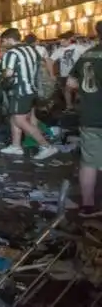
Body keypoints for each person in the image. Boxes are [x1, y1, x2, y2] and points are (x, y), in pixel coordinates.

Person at [0, 28, 57, 160]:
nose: (3, 44)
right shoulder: (32, 50)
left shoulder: (12, 53)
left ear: (9, 39)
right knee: (15, 117)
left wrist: (0, 75)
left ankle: (46, 146)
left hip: (20, 90)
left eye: (3, 41)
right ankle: (16, 145)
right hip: (32, 89)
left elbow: (8, 73)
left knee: (20, 120)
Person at [67, 21, 102, 217]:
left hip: (90, 115)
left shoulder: (87, 54)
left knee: (89, 161)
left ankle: (87, 205)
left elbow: (71, 83)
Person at [50, 31, 82, 111]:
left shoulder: (78, 47)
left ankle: (76, 106)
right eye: (60, 41)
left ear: (69, 40)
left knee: (77, 91)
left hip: (77, 74)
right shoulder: (59, 50)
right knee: (66, 91)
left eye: (63, 41)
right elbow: (50, 61)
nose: (61, 43)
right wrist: (52, 73)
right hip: (64, 74)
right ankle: (69, 106)